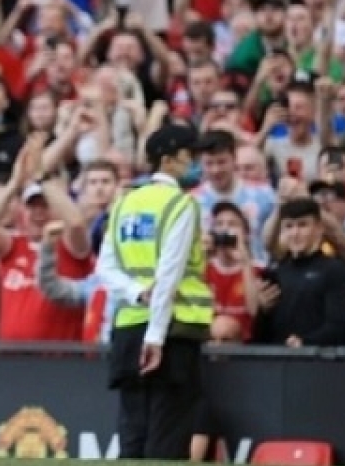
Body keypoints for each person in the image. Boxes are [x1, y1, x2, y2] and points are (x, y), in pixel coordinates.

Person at [96, 123, 213, 460]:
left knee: (132, 432)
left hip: (128, 327)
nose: (197, 163)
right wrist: (156, 337)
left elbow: (105, 267)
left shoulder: (125, 203)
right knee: (168, 434)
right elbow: (169, 275)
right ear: (168, 160)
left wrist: (135, 291)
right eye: (190, 155)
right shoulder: (181, 205)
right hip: (172, 331)